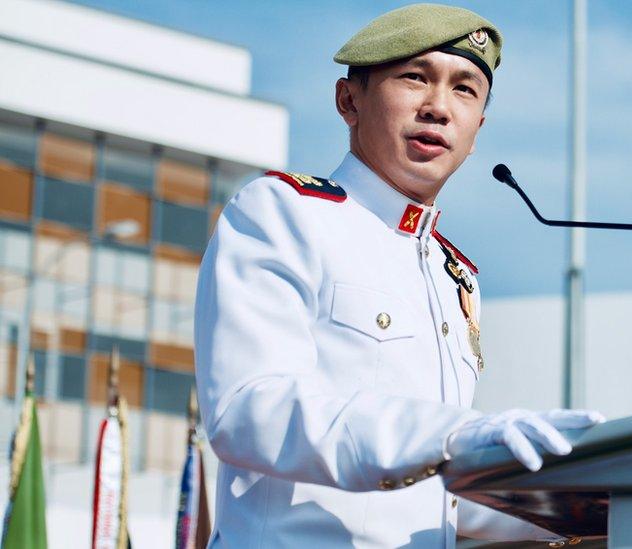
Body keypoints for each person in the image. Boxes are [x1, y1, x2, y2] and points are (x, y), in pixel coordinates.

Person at [194, 4, 603, 547]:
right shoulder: (282, 213)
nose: (438, 107)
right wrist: (455, 437)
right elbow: (250, 410)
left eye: (464, 89)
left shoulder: (453, 275)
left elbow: (437, 499)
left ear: (477, 128)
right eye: (415, 77)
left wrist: (588, 507)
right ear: (349, 100)